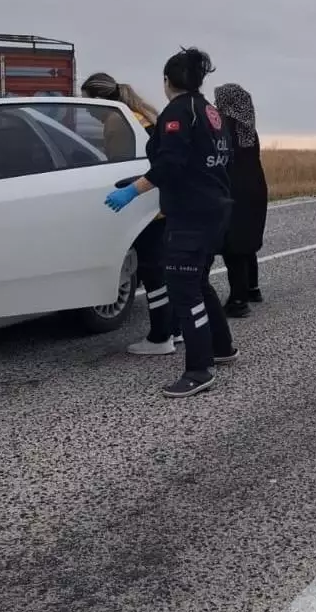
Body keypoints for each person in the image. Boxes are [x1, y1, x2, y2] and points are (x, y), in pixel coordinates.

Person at [102, 48, 238, 398]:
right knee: (199, 282)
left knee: (182, 288)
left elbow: (171, 164)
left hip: (190, 213)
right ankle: (222, 347)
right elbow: (203, 160)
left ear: (167, 80)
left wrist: (133, 191)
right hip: (215, 207)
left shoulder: (178, 111)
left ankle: (199, 369)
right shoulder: (209, 111)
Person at [81, 72, 180, 355]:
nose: (86, 110)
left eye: (87, 102)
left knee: (152, 270)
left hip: (145, 203)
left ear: (99, 98)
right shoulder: (138, 115)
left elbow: (120, 166)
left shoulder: (116, 122)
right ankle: (176, 329)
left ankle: (160, 337)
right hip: (162, 201)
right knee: (163, 270)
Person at [214, 83, 268, 317]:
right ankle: (252, 288)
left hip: (235, 188)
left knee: (233, 245)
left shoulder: (224, 126)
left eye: (219, 100)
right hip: (255, 187)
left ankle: (238, 301)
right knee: (248, 240)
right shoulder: (248, 127)